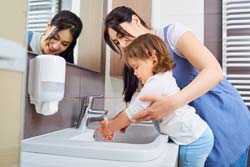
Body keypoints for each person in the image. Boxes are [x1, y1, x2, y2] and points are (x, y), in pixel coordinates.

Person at [103, 6, 250, 167]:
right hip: (194, 127)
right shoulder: (143, 60)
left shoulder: (172, 34)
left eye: (122, 36)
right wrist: (129, 119)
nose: (123, 45)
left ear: (136, 20)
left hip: (222, 117)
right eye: (117, 42)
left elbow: (214, 72)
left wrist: (172, 103)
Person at [99, 33, 214, 166]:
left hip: (194, 140)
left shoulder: (156, 83)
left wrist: (110, 128)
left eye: (136, 67)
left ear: (153, 59)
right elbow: (140, 111)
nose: (135, 73)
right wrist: (127, 122)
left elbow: (131, 112)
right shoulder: (163, 77)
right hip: (196, 134)